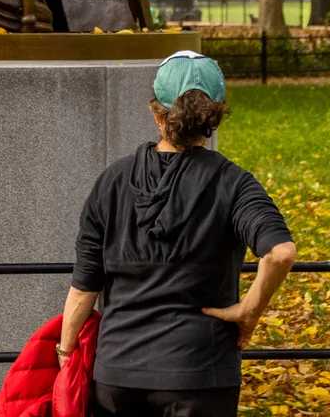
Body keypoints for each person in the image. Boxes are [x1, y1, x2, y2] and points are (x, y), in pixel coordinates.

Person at [61, 51, 298, 416]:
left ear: (157, 114)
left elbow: (83, 289)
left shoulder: (112, 182)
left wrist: (65, 352)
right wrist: (249, 311)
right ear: (215, 116)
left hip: (118, 374)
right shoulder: (234, 184)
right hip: (201, 375)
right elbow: (280, 252)